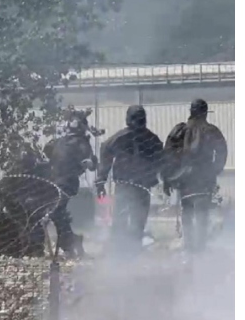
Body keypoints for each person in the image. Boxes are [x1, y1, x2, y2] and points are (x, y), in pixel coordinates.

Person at [162, 98, 228, 252]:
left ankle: (189, 249)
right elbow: (222, 152)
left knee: (187, 213)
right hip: (204, 180)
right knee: (201, 216)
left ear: (191, 112)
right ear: (205, 112)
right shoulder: (212, 130)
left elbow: (167, 154)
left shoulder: (180, 130)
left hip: (184, 181)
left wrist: (168, 178)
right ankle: (200, 251)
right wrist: (214, 170)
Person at [97, 105, 164, 255]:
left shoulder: (121, 138)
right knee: (132, 220)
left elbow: (161, 160)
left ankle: (125, 251)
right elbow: (161, 160)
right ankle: (126, 250)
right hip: (133, 185)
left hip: (130, 185)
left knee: (132, 220)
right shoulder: (150, 138)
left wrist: (101, 180)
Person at [44, 112, 99, 257]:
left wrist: (89, 163)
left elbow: (92, 162)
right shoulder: (60, 141)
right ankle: (72, 242)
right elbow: (48, 153)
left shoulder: (82, 143)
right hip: (53, 181)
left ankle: (69, 244)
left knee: (56, 211)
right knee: (57, 213)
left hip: (67, 182)